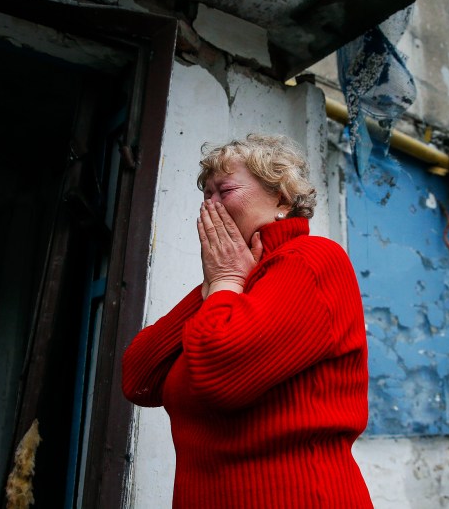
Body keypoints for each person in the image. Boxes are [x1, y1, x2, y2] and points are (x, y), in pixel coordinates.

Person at [121, 133, 373, 508]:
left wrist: (223, 278)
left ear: (282, 199)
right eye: (205, 196)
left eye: (224, 190)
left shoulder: (313, 259)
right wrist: (219, 281)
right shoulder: (232, 287)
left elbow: (221, 373)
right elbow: (138, 379)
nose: (210, 206)